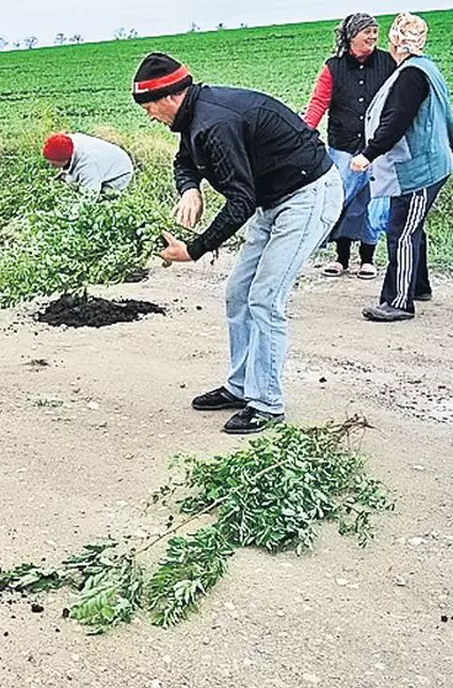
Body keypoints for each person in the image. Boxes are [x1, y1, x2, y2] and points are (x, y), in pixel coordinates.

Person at [139, 52, 343, 435]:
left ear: (169, 97)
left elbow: (240, 202)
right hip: (273, 199)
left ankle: (266, 403)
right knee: (238, 293)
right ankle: (241, 387)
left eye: (149, 107)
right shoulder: (193, 117)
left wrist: (193, 249)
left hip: (307, 196)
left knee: (265, 298)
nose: (149, 115)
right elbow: (184, 161)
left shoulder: (215, 121)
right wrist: (190, 190)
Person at [354, 13, 453, 322]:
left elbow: (395, 122)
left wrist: (367, 155)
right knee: (412, 225)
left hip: (418, 168)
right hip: (432, 161)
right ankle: (418, 286)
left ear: (396, 41)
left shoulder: (410, 76)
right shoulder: (426, 67)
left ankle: (398, 301)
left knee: (403, 230)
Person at [303, 12, 396, 279]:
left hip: (376, 147)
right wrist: (306, 133)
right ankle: (340, 258)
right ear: (352, 35)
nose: (372, 37)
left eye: (375, 33)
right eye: (367, 32)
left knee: (372, 200)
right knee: (342, 199)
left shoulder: (388, 63)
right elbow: (319, 103)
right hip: (343, 145)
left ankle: (368, 258)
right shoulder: (333, 67)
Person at [41, 132, 134, 196]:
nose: (51, 166)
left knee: (103, 198)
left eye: (53, 164)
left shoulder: (88, 165)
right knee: (71, 182)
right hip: (105, 159)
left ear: (65, 159)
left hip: (120, 172)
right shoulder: (66, 142)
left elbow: (90, 195)